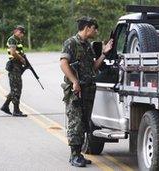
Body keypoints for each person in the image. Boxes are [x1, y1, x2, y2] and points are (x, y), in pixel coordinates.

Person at [60, 16, 113, 167]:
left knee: (84, 123)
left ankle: (79, 154)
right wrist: (74, 81)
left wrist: (104, 53)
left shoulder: (87, 46)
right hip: (76, 90)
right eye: (94, 28)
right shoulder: (71, 43)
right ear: (87, 27)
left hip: (88, 89)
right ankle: (74, 155)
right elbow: (63, 63)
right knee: (75, 122)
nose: (96, 31)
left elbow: (93, 68)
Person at [0, 25, 27, 117]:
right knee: (16, 88)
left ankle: (5, 106)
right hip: (14, 65)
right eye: (20, 32)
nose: (21, 34)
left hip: (17, 66)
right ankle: (16, 110)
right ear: (15, 31)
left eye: (22, 33)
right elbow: (13, 52)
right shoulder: (12, 39)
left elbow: (18, 52)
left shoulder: (17, 40)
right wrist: (22, 59)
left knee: (15, 88)